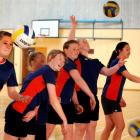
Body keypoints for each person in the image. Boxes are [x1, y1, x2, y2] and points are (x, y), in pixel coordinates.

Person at [68, 15, 125, 140]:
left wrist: (118, 66)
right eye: (82, 41)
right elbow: (70, 43)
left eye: (86, 41)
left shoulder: (95, 61)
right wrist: (73, 27)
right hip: (81, 97)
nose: (85, 41)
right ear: (77, 47)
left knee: (92, 126)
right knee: (80, 128)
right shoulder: (76, 59)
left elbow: (108, 72)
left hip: (93, 97)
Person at [4, 49, 68, 140]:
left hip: (30, 114)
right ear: (51, 58)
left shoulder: (45, 72)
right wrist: (64, 120)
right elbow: (53, 100)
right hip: (17, 112)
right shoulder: (48, 72)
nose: (62, 62)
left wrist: (34, 111)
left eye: (64, 61)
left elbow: (38, 97)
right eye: (60, 59)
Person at [46, 40, 96, 140]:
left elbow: (71, 86)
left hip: (67, 104)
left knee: (69, 136)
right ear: (65, 50)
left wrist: (76, 103)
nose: (77, 51)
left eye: (78, 49)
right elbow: (78, 79)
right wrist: (91, 95)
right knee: (45, 134)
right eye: (74, 49)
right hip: (54, 103)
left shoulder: (71, 63)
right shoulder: (67, 62)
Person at [100, 42, 140, 140]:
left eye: (129, 49)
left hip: (108, 98)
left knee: (109, 126)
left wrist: (119, 97)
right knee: (120, 126)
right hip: (110, 99)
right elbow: (130, 77)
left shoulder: (116, 62)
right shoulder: (117, 63)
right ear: (119, 51)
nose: (129, 52)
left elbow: (113, 82)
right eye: (127, 49)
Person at [18, 52, 46, 140]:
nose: (42, 62)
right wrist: (34, 111)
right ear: (32, 62)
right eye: (40, 60)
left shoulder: (42, 77)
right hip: (29, 117)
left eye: (43, 60)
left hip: (39, 118)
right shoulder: (32, 77)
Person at [0, 31, 29, 101]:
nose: (8, 46)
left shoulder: (9, 67)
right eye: (5, 43)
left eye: (11, 44)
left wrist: (21, 97)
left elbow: (12, 91)